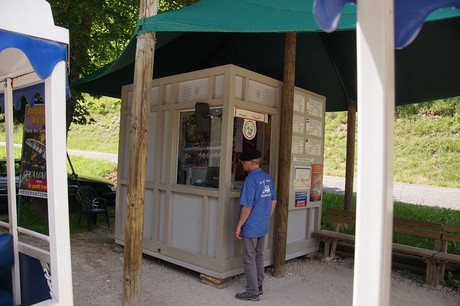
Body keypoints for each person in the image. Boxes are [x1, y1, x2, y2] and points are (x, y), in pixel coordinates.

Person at [234, 149, 277, 301]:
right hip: (262, 224)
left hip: (251, 226)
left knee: (249, 258)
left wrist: (239, 225)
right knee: (258, 255)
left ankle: (252, 292)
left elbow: (247, 207)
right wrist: (265, 217)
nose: (241, 164)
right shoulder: (267, 177)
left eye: (243, 162)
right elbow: (273, 201)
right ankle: (258, 286)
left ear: (252, 163)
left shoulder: (250, 180)